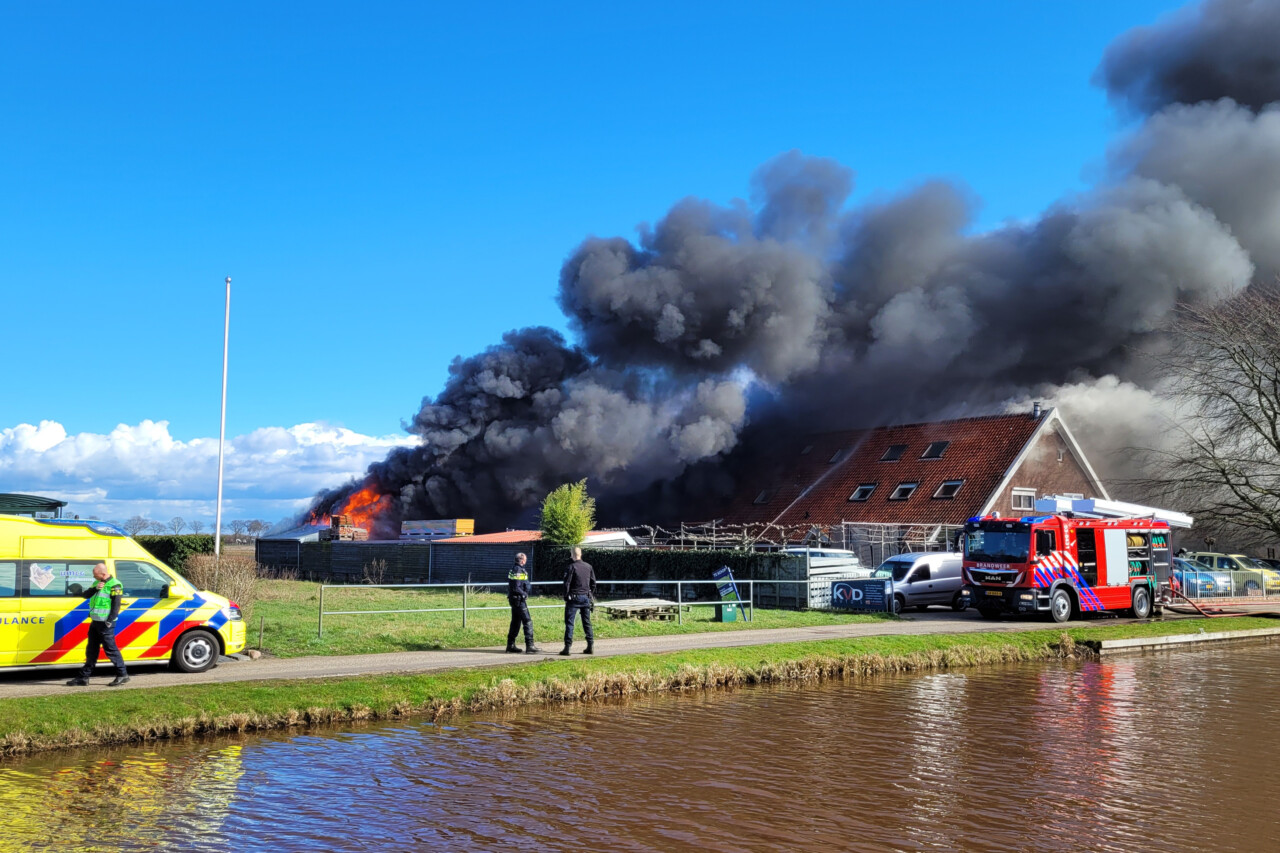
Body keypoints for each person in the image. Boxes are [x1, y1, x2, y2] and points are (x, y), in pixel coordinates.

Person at [66, 563, 130, 687]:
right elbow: (86, 595)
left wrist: (109, 621)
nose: (94, 577)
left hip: (106, 623)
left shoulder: (115, 584)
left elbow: (116, 606)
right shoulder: (97, 582)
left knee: (110, 649)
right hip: (95, 622)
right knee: (91, 650)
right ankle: (84, 677)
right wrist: (96, 588)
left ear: (103, 573)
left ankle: (123, 675)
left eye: (95, 575)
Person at [561, 546, 597, 656]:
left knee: (570, 623)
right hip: (585, 597)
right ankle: (590, 645)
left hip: (574, 598)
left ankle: (567, 647)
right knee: (587, 622)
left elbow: (567, 583)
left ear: (572, 555)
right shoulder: (588, 567)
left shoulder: (571, 567)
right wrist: (590, 594)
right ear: (580, 554)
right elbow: (593, 583)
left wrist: (566, 596)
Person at [506, 552, 541, 654]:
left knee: (515, 622)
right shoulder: (518, 570)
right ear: (522, 560)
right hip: (519, 600)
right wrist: (524, 594)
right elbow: (516, 586)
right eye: (525, 559)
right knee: (527, 621)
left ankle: (510, 645)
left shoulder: (514, 568)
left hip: (515, 599)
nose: (526, 561)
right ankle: (530, 646)